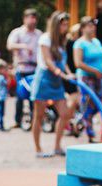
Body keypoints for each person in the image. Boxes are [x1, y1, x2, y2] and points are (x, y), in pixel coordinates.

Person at [31, 11, 75, 158]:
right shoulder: (45, 39)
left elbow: (63, 62)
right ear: (56, 25)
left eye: (67, 24)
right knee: (39, 115)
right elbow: (48, 61)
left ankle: (57, 146)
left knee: (65, 114)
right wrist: (62, 74)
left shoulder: (62, 41)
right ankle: (38, 148)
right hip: (45, 79)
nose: (66, 27)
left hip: (56, 81)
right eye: (63, 24)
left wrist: (69, 74)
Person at [7, 9, 43, 129]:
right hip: (22, 68)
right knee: (20, 96)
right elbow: (10, 45)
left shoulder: (39, 34)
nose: (32, 20)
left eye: (34, 18)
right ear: (25, 19)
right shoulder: (17, 33)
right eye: (30, 18)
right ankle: (18, 120)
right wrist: (23, 46)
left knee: (35, 95)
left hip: (35, 68)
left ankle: (35, 121)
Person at [74, 16, 102, 140]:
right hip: (86, 78)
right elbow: (78, 63)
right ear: (83, 28)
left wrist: (101, 73)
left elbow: (101, 58)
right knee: (87, 103)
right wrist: (94, 71)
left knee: (98, 103)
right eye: (89, 25)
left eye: (93, 25)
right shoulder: (79, 43)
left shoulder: (96, 42)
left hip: (99, 78)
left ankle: (80, 120)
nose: (92, 28)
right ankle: (90, 132)